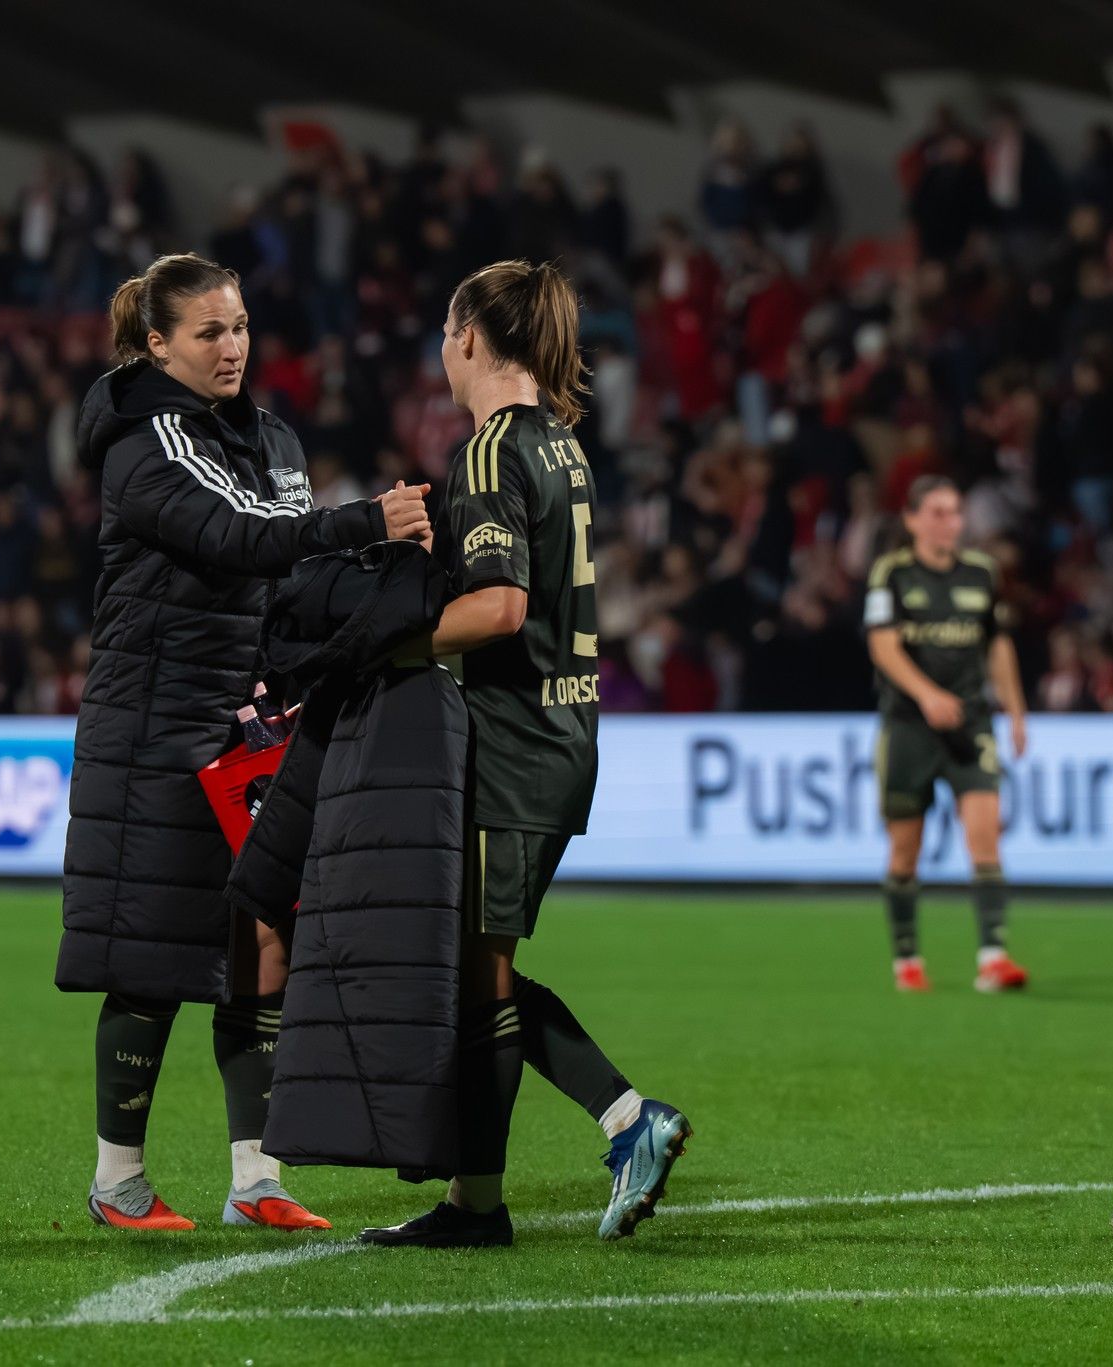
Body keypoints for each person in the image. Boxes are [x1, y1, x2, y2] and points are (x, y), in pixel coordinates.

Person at [55, 253, 430, 1231]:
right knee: (149, 958)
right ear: (157, 344)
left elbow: (288, 573)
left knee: (261, 948)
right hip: (152, 730)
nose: (233, 347)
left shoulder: (272, 437)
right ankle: (117, 1182)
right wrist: (366, 520)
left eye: (241, 326)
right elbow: (241, 535)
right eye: (209, 332)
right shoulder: (146, 441)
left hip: (245, 728)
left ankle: (256, 1179)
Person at [360, 261, 689, 1249]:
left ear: (468, 337)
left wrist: (388, 644)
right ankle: (477, 1201)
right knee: (478, 968)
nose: (441, 350)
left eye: (444, 331)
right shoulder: (561, 443)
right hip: (560, 731)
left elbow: (500, 608)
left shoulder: (492, 447)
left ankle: (625, 1119)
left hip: (512, 743)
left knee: (480, 970)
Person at [864, 476, 1031, 993]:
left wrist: (1016, 710)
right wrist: (927, 696)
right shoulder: (891, 573)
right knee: (905, 851)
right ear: (912, 519)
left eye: (955, 512)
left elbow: (997, 644)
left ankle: (993, 958)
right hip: (909, 728)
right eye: (936, 512)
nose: (948, 523)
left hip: (970, 723)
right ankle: (907, 960)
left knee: (986, 835)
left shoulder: (982, 573)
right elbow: (883, 646)